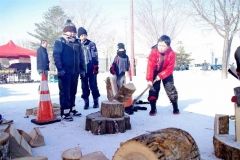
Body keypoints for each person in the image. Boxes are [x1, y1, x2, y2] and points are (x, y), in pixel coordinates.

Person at [53, 19, 82, 121]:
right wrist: (60, 69)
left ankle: (72, 108)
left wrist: (82, 68)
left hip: (75, 72)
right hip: (64, 71)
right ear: (65, 31)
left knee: (73, 91)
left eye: (74, 31)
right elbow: (56, 56)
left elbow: (81, 56)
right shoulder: (60, 41)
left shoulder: (77, 42)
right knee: (65, 92)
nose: (73, 33)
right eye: (70, 31)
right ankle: (64, 112)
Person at [146, 35, 179, 116]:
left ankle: (175, 106)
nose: (161, 47)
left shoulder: (172, 54)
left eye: (163, 46)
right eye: (159, 45)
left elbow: (170, 68)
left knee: (170, 88)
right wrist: (149, 79)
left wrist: (161, 75)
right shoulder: (154, 52)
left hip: (166, 73)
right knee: (153, 89)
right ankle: (153, 108)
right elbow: (150, 66)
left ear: (168, 46)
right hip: (155, 72)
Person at [78, 27, 100, 109]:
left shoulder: (91, 44)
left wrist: (95, 66)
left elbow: (95, 56)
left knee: (93, 85)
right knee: (84, 87)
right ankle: (86, 102)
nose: (83, 37)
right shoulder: (78, 44)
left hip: (91, 68)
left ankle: (96, 101)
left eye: (85, 35)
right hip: (82, 69)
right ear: (79, 36)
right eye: (81, 35)